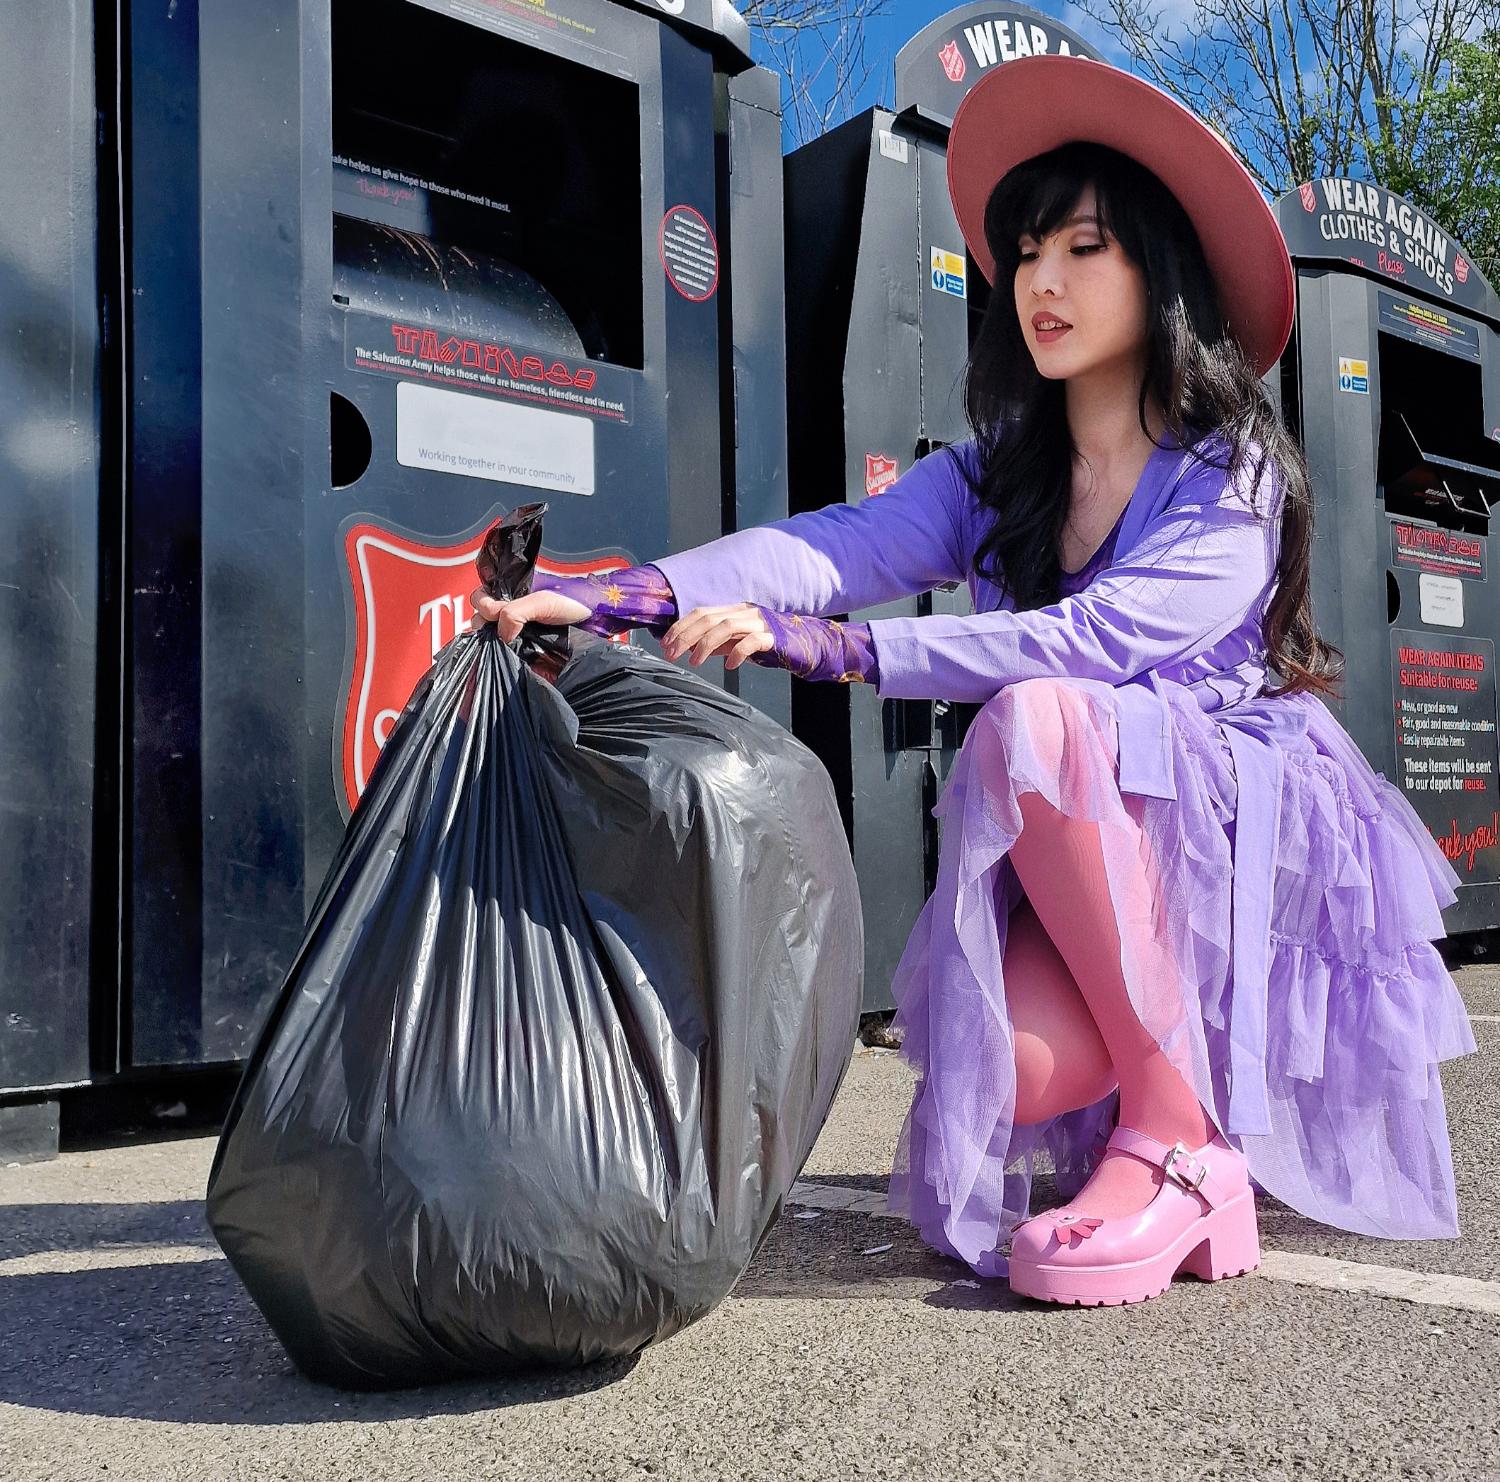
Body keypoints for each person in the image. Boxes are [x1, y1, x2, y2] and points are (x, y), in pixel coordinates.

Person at [469, 56, 1476, 1306]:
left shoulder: (1232, 472)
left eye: (1085, 249)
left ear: (1159, 268)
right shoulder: (1009, 467)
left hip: (1234, 828)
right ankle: (1163, 1073)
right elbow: (833, 545)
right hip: (1094, 838)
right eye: (1029, 251)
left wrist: (842, 650)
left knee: (1036, 715)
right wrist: (619, 594)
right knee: (1013, 1065)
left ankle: (1177, 1143)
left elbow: (1094, 646)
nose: (1042, 282)